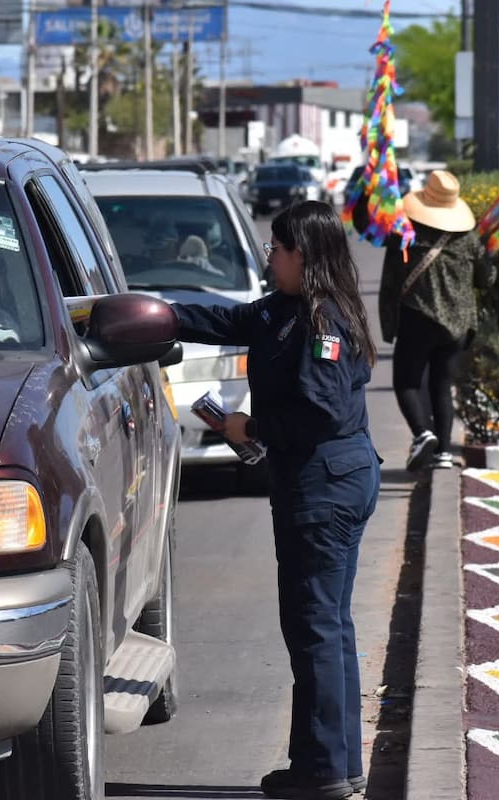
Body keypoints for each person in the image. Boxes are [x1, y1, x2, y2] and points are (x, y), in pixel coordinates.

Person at [169, 201, 381, 800]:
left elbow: (321, 413)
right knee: (326, 627)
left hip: (326, 485)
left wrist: (249, 429)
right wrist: (152, 315)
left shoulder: (323, 320)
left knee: (316, 626)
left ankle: (325, 772)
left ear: (304, 256)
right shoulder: (285, 311)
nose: (270, 257)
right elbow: (225, 321)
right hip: (322, 483)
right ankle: (332, 762)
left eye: (278, 249)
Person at [374, 170, 495, 471]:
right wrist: (487, 256)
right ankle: (443, 453)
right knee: (442, 386)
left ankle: (422, 433)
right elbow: (486, 279)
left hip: (418, 318)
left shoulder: (405, 232)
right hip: (458, 325)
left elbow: (390, 282)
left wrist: (388, 325)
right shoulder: (468, 238)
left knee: (406, 382)